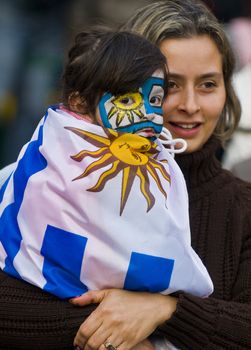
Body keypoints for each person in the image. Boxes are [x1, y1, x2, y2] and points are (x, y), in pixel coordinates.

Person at [0, 25, 213, 350]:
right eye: (127, 100)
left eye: (155, 99)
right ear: (79, 104)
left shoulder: (163, 169)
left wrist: (165, 311)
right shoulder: (37, 175)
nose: (150, 116)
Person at [69, 1, 251, 349]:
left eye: (208, 84)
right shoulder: (64, 179)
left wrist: (166, 311)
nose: (190, 105)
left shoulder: (243, 208)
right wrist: (120, 326)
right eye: (167, 87)